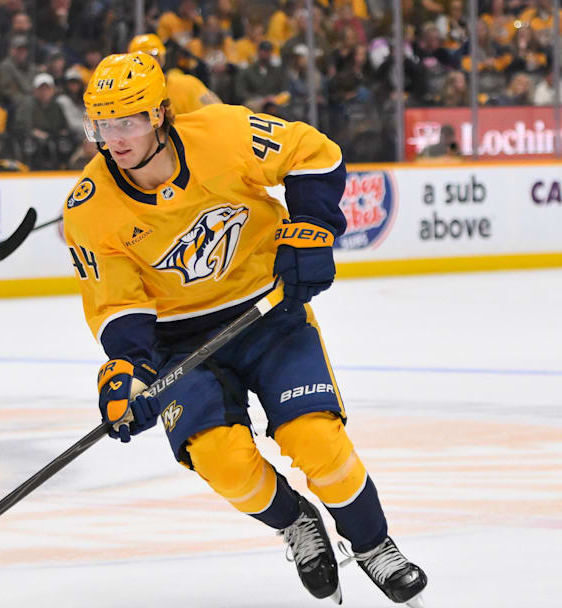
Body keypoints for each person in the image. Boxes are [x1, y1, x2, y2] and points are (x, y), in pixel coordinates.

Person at [63, 52, 428, 607]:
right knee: (224, 462)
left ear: (161, 114)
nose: (114, 139)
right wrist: (127, 373)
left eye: (128, 121)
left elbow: (317, 155)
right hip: (177, 343)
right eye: (103, 125)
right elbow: (116, 304)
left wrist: (310, 228)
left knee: (316, 439)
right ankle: (295, 521)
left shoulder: (225, 131)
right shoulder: (89, 207)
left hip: (268, 316)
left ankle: (373, 544)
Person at [128, 33, 221, 114]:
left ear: (162, 59)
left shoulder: (187, 85)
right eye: (139, 59)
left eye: (153, 56)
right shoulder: (127, 97)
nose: (147, 63)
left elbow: (219, 115)